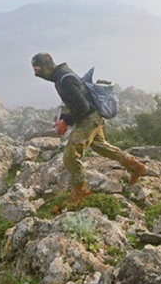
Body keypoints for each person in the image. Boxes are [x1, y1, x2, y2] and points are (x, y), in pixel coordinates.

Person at [31, 52, 147, 203]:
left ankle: (80, 189)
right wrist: (62, 117)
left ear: (46, 66)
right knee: (102, 147)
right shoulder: (61, 75)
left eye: (37, 69)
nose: (36, 74)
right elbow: (75, 100)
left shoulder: (64, 80)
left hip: (89, 118)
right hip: (93, 116)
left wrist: (65, 122)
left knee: (71, 155)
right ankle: (136, 166)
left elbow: (83, 106)